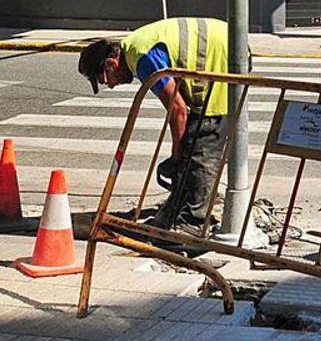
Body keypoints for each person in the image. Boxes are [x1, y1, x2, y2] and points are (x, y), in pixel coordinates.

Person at [77, 17, 229, 234]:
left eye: (105, 79)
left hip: (223, 55)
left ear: (111, 64)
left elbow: (178, 110)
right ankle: (177, 212)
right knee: (191, 147)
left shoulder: (143, 58)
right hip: (222, 46)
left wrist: (177, 156)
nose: (110, 85)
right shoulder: (135, 48)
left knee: (201, 148)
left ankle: (193, 226)